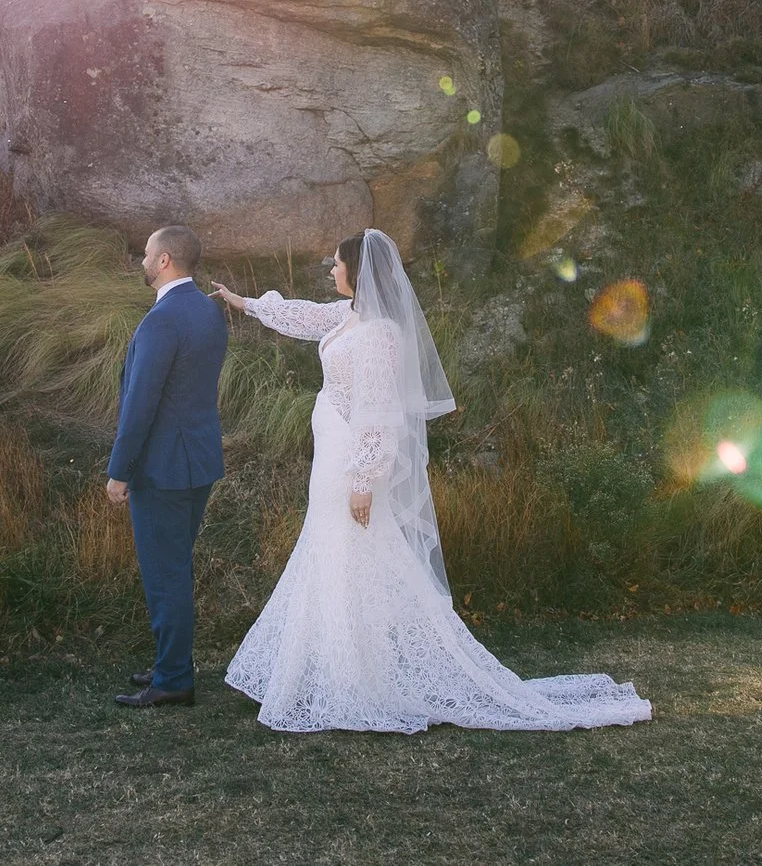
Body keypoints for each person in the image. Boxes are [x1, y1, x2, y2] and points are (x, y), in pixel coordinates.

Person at [208, 229, 651, 733]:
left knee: (350, 552)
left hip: (349, 463)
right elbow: (306, 316)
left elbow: (381, 413)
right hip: (330, 456)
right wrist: (244, 303)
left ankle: (359, 680)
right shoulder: (351, 317)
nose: (330, 271)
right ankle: (344, 674)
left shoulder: (379, 335)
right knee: (335, 553)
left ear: (360, 271)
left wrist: (364, 478)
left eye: (336, 264)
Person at [104, 223, 227, 708]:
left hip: (162, 467)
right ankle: (168, 663)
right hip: (197, 460)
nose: (142, 261)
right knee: (174, 566)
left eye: (148, 254)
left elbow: (141, 403)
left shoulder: (161, 321)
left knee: (165, 573)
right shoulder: (207, 311)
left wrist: (120, 470)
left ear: (165, 261)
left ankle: (174, 678)